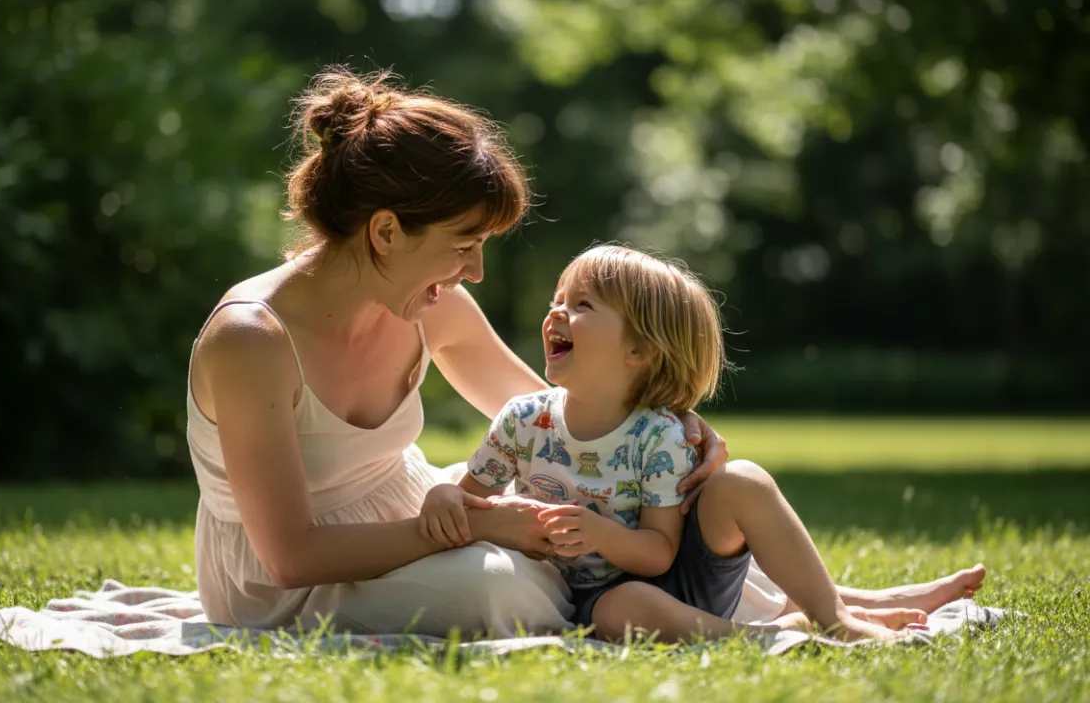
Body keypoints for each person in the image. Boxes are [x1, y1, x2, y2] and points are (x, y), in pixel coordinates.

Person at [183, 67, 735, 637]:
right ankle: (656, 614)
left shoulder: (430, 305)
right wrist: (480, 527)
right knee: (493, 588)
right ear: (386, 232)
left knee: (599, 517)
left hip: (422, 511)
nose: (473, 271)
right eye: (463, 245)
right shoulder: (252, 339)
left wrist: (665, 427)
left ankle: (747, 608)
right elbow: (290, 557)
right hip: (289, 583)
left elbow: (558, 418)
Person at [420, 245, 987, 642]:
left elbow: (661, 552)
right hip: (608, 597)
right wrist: (446, 499)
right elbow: (471, 498)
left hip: (682, 578)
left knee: (744, 479)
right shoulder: (523, 421)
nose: (556, 313)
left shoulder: (658, 434)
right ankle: (767, 635)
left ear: (639, 351)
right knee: (622, 608)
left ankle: (834, 615)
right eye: (558, 298)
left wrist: (598, 533)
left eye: (582, 305)